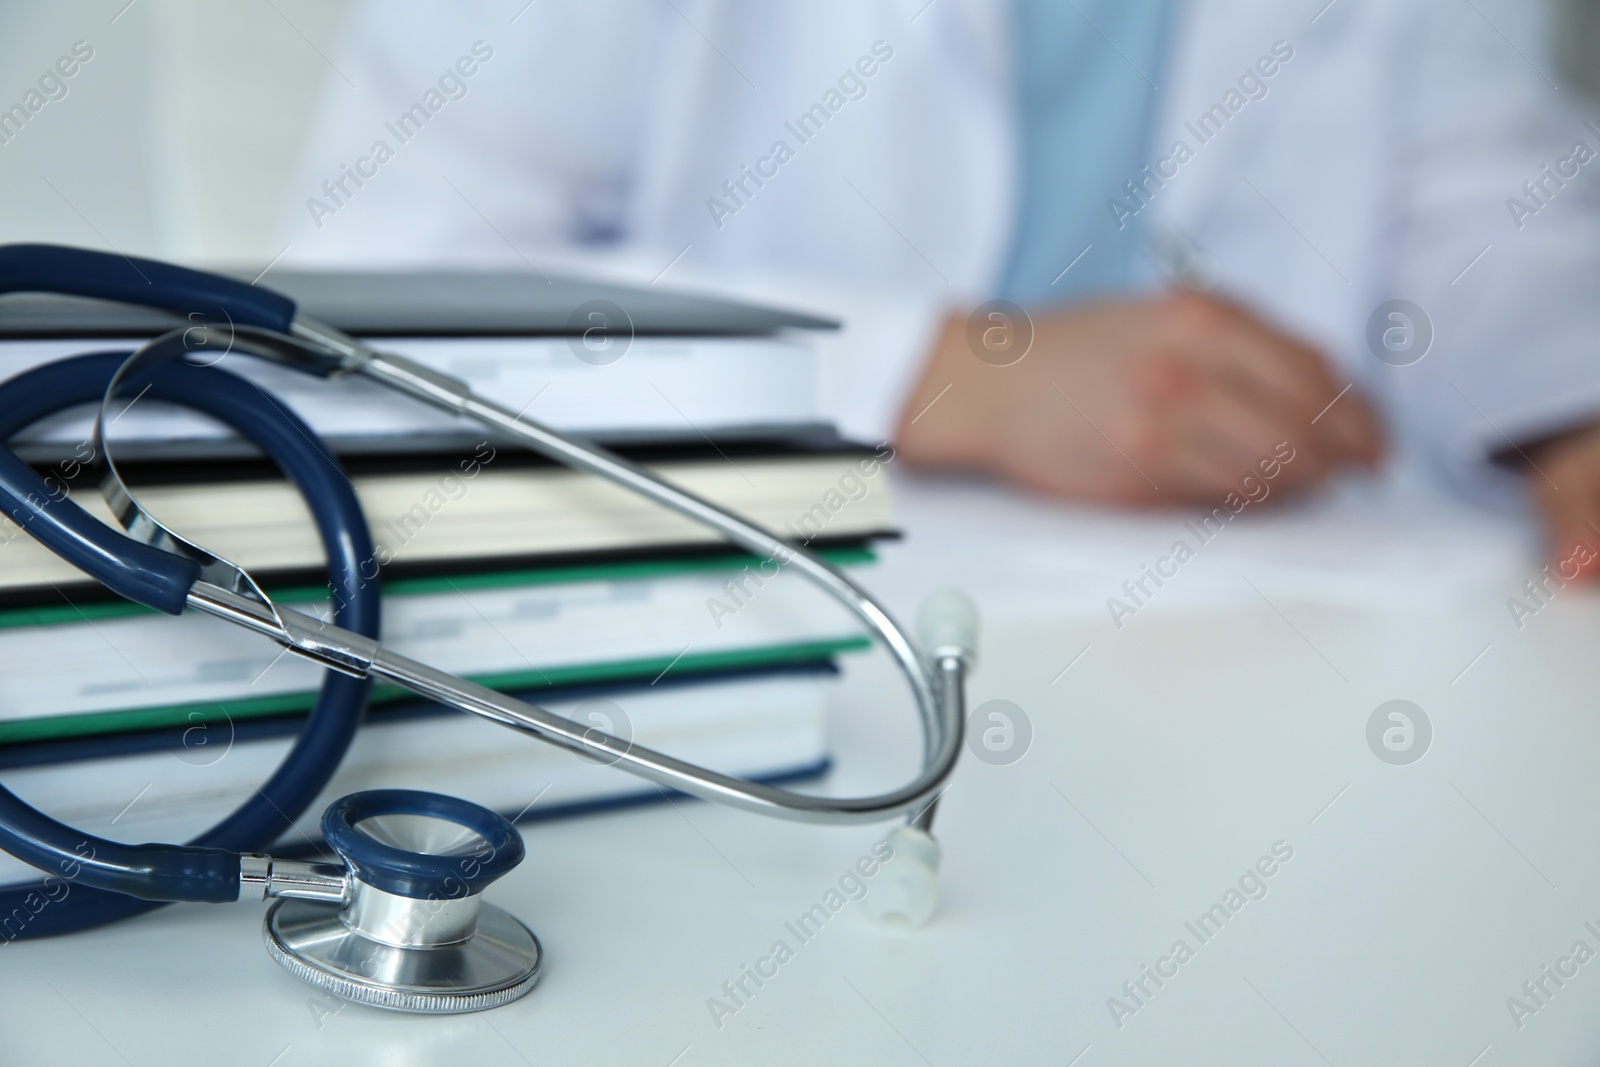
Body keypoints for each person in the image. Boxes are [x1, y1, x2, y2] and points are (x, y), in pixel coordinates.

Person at [282, 0, 1600, 578]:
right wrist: (942, 373)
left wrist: (1572, 420)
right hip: (752, 621)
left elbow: (1480, 204)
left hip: (1253, 620)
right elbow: (371, 289)